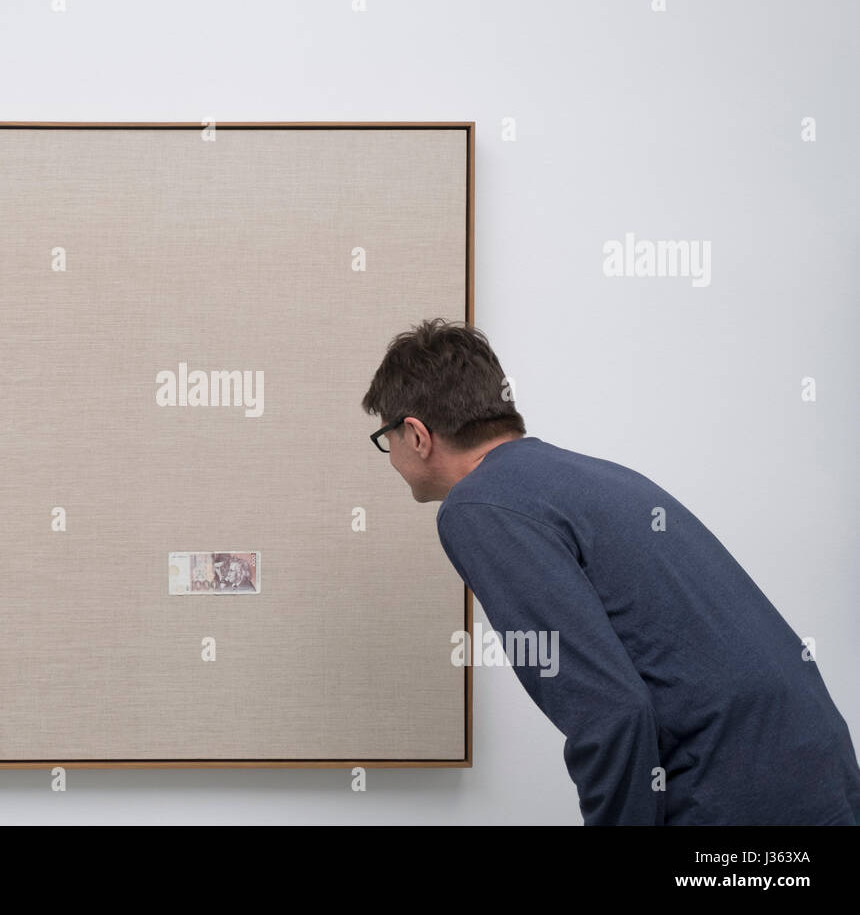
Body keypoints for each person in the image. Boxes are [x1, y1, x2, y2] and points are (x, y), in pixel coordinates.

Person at [362, 317, 860, 825]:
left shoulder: (479, 506)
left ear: (417, 435)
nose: (391, 456)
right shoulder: (586, 477)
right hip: (818, 772)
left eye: (386, 437)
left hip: (738, 792)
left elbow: (609, 711)